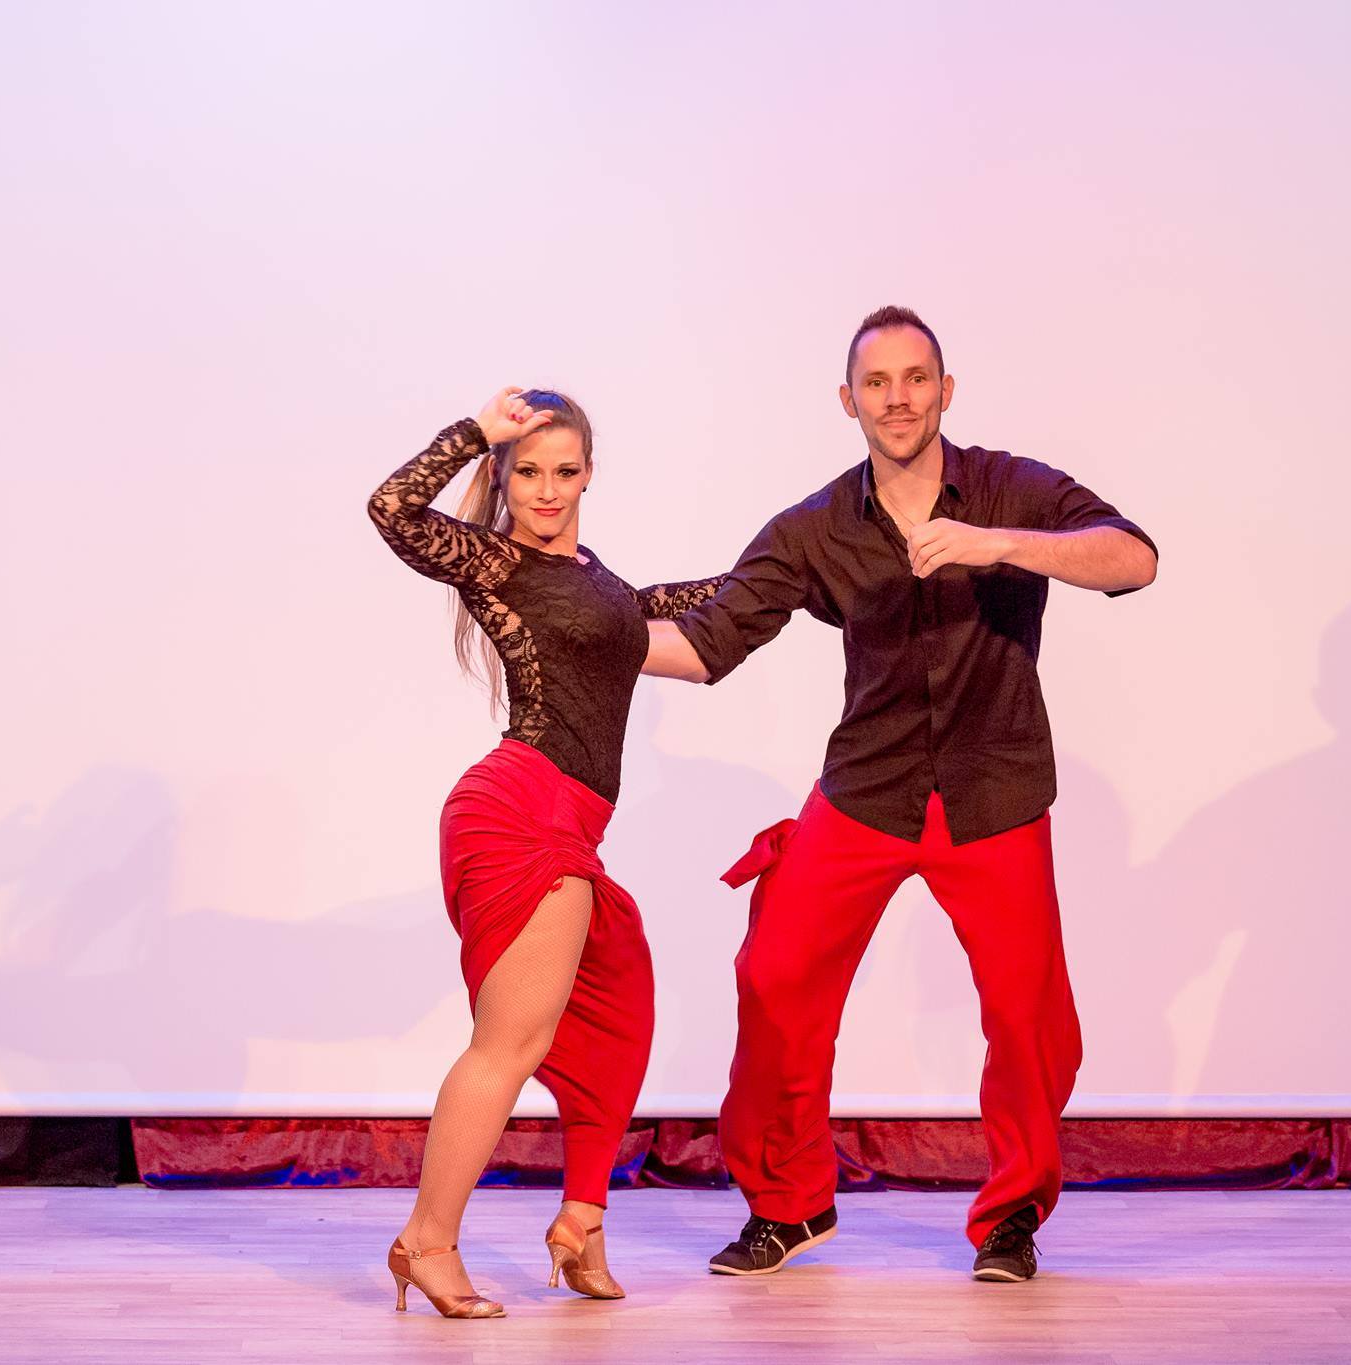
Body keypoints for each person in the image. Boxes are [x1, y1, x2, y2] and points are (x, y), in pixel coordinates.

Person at [649, 306, 1158, 1282]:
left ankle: (1011, 1217)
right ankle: (789, 1205)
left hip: (994, 788)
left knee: (1027, 1017)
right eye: (876, 383)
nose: (897, 398)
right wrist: (589, 638)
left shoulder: (1010, 488)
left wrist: (997, 545)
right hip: (867, 789)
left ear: (944, 390)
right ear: (848, 401)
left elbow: (1132, 557)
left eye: (915, 378)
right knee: (774, 976)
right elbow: (710, 643)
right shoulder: (814, 527)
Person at [366, 387, 724, 1318]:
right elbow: (392, 510)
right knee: (512, 1042)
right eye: (526, 472)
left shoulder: (596, 577)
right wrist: (473, 433)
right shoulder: (497, 561)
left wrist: (783, 574)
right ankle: (425, 1240)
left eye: (565, 471)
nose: (547, 490)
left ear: (590, 474)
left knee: (620, 1013)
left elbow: (653, 609)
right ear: (504, 477)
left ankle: (582, 1222)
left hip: (569, 820)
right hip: (520, 808)